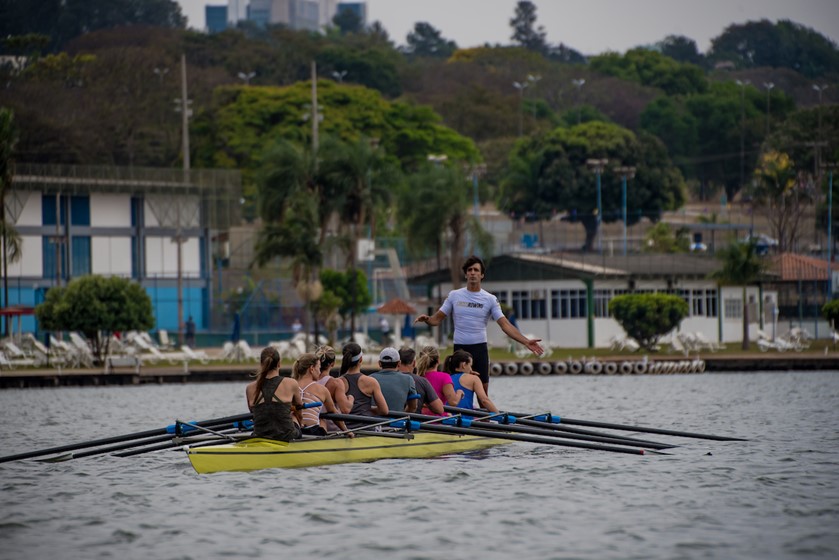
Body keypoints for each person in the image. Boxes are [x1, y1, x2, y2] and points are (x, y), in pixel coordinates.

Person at [415, 255, 544, 394]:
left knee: (483, 392)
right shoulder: (454, 295)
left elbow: (505, 325)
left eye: (476, 270)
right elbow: (437, 319)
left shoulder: (490, 299)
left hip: (480, 349)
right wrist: (427, 319)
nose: (472, 272)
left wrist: (526, 341)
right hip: (460, 350)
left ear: (482, 275)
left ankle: (485, 416)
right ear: (466, 274)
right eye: (469, 270)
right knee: (459, 390)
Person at [245, 346, 303, 442]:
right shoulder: (291, 383)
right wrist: (301, 425)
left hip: (260, 436)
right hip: (287, 436)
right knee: (293, 414)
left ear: (261, 364)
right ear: (279, 363)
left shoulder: (250, 388)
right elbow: (299, 410)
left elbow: (254, 414)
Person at [291, 352, 351, 436]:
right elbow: (334, 413)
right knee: (322, 420)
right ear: (312, 369)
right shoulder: (321, 389)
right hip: (312, 431)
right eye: (319, 368)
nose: (319, 372)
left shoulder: (290, 385)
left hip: (294, 430)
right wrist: (346, 431)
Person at [337, 342, 389, 429]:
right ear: (361, 359)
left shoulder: (338, 382)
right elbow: (384, 410)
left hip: (345, 430)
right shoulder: (371, 382)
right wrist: (369, 409)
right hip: (366, 429)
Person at [397, 347, 445, 416]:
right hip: (412, 424)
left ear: (398, 362)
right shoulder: (422, 381)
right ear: (414, 363)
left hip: (387, 423)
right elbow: (439, 409)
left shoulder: (387, 379)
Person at [415, 345, 463, 412]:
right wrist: (459, 393)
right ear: (438, 360)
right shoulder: (444, 377)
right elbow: (453, 402)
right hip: (437, 419)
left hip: (419, 419)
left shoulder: (416, 377)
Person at [370, 348, 416, 413]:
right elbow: (413, 407)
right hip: (397, 422)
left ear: (379, 363)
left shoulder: (369, 379)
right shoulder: (408, 379)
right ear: (399, 363)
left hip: (374, 422)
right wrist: (400, 415)